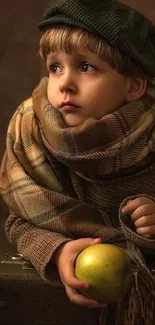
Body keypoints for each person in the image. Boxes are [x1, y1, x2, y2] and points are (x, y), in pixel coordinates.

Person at [0, 0, 155, 324]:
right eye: (55, 67)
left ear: (134, 85)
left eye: (86, 67)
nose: (64, 84)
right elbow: (18, 222)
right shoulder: (30, 133)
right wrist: (55, 251)